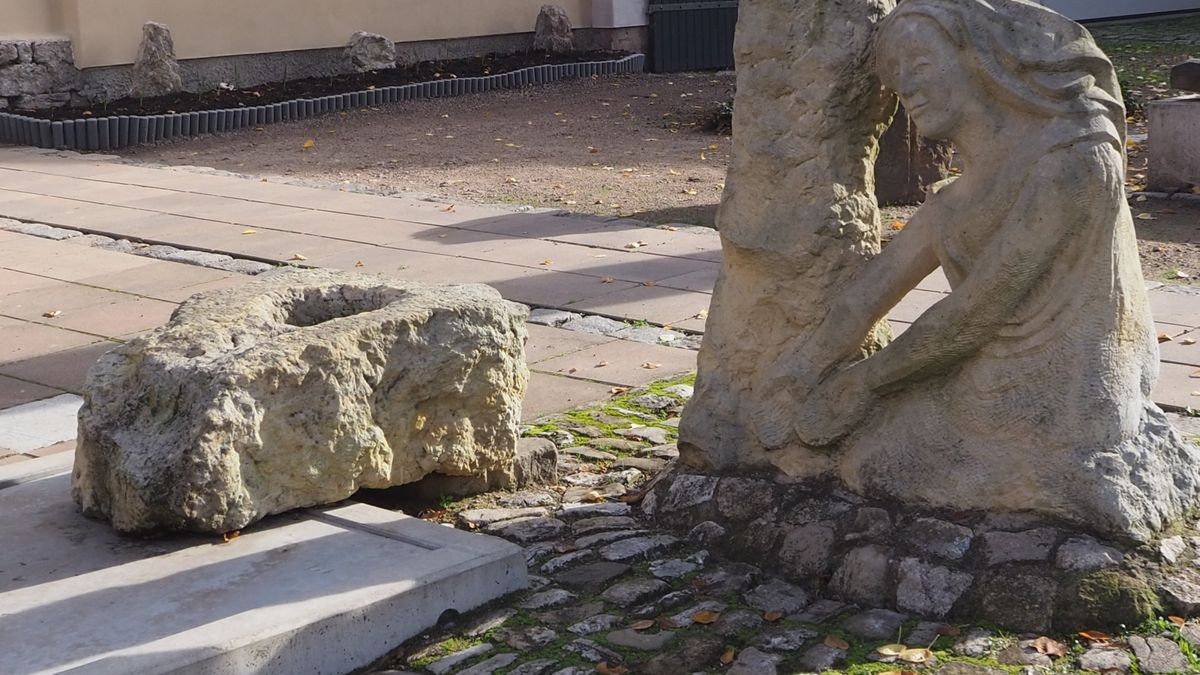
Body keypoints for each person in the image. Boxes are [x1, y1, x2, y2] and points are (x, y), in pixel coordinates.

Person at [751, 0, 1188, 532]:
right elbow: (866, 294)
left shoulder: (1075, 159)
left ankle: (1055, 484)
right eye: (896, 77)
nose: (907, 87)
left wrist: (862, 383)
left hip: (1070, 397)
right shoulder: (954, 201)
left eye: (922, 65)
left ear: (978, 58)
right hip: (986, 376)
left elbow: (976, 311)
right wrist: (798, 371)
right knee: (850, 439)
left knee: (871, 456)